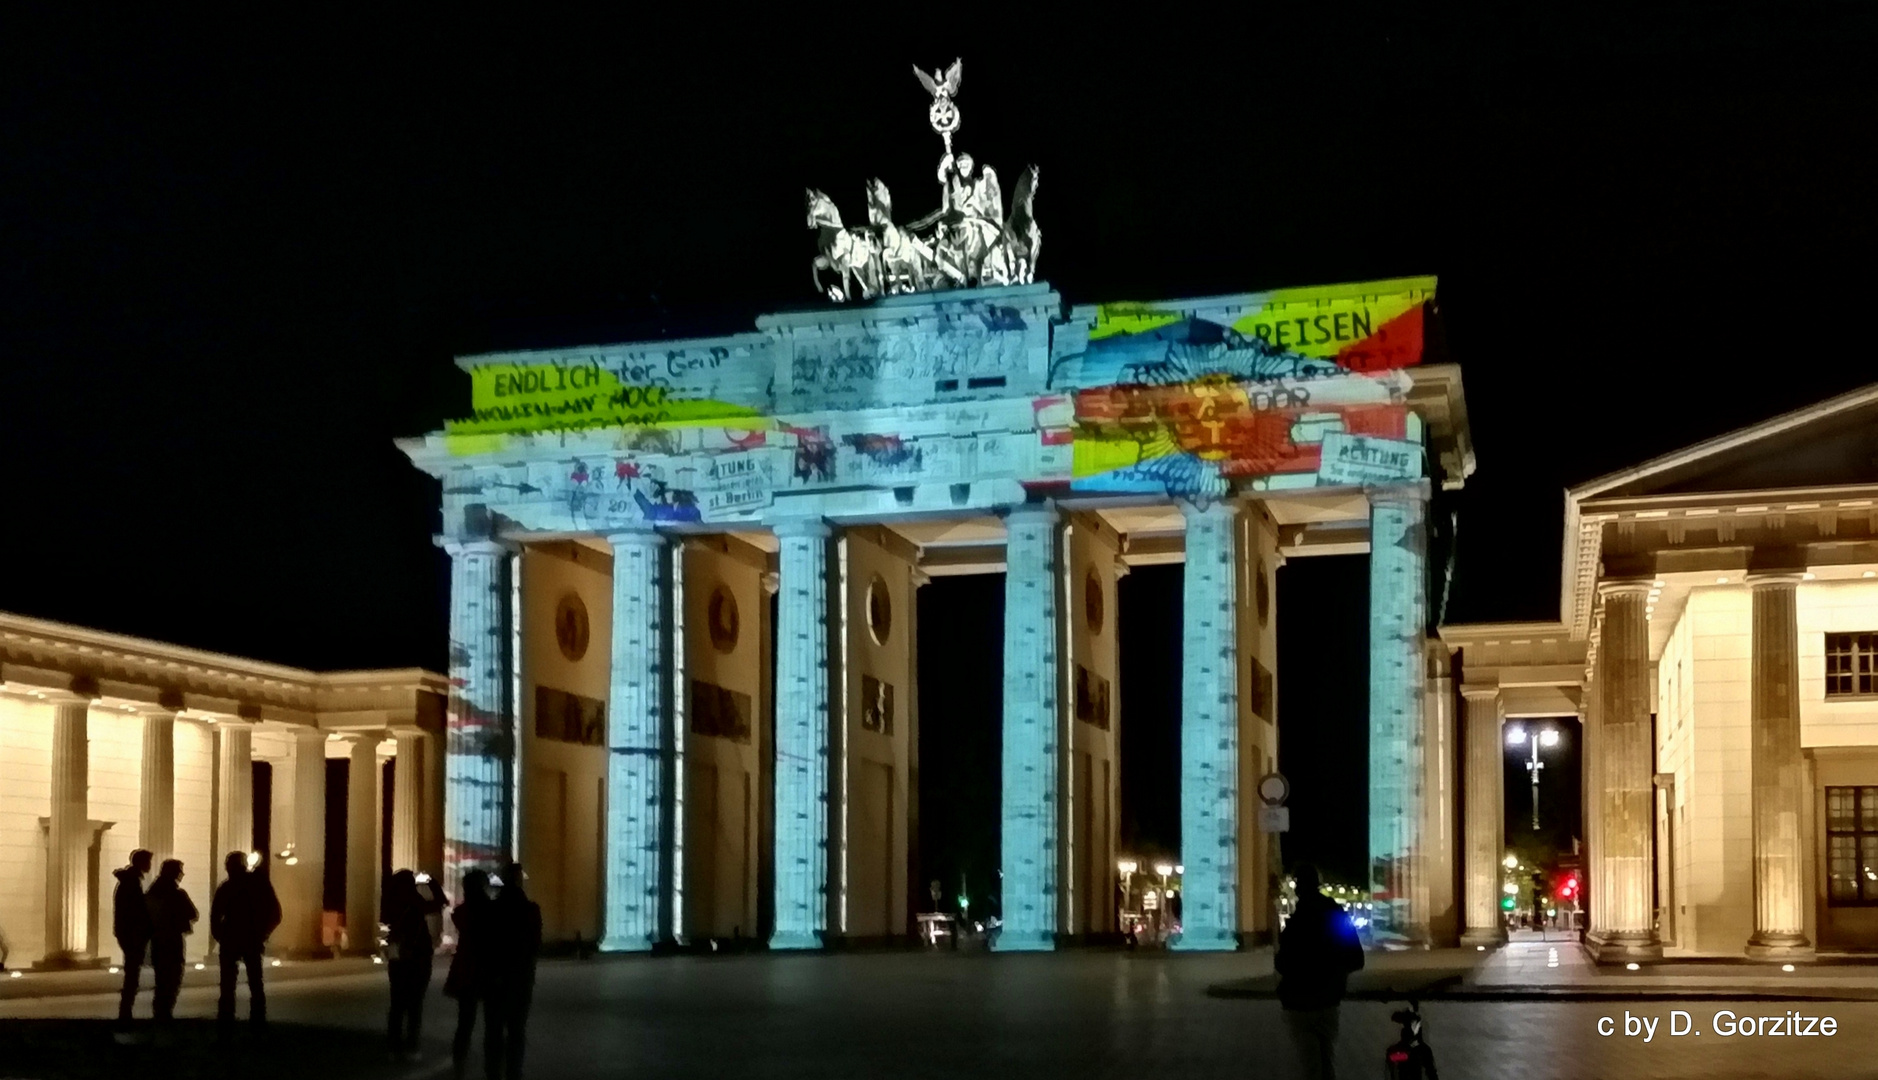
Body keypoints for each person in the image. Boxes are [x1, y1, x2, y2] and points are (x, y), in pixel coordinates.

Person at [1276, 864, 1365, 1080]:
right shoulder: (1336, 915)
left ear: (1298, 888)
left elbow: (1282, 963)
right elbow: (1356, 958)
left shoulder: (1296, 923)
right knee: (1326, 1061)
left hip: (1300, 1002)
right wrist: (1335, 972)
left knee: (1311, 1066)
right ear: (1319, 885)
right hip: (1328, 1000)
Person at [210, 851, 281, 1029]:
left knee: (228, 986)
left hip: (234, 940)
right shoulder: (258, 884)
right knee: (255, 984)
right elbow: (275, 913)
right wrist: (263, 934)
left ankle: (226, 1024)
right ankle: (257, 1023)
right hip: (250, 939)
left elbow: (215, 917)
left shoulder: (227, 887)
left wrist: (222, 936)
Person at [485, 864, 542, 1079]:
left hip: (495, 978)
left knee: (494, 1028)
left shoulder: (493, 909)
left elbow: (486, 944)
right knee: (516, 1029)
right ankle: (514, 1071)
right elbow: (536, 944)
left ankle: (492, 1071)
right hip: (520, 978)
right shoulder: (530, 910)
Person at [384, 869, 445, 1060]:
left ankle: (394, 1047)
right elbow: (440, 901)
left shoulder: (391, 904)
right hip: (418, 958)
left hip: (398, 958)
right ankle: (411, 1046)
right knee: (415, 1005)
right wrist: (431, 880)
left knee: (397, 1005)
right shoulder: (416, 903)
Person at [447, 869, 494, 1080]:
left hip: (466, 968)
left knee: (465, 1021)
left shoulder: (461, 912)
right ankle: (492, 1064)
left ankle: (460, 1061)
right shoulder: (492, 911)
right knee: (493, 1020)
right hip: (489, 969)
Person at [145, 860, 198, 1025]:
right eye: (179, 871)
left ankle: (160, 1012)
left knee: (161, 979)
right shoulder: (177, 894)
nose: (182, 874)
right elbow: (193, 913)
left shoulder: (152, 893)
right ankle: (165, 1013)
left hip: (157, 941)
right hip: (172, 941)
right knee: (172, 979)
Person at [113, 849, 154, 1030]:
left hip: (128, 933)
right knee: (132, 976)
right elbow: (136, 910)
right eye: (148, 861)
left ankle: (125, 1012)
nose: (150, 865)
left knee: (132, 974)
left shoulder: (129, 881)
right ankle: (125, 1014)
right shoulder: (131, 883)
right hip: (132, 934)